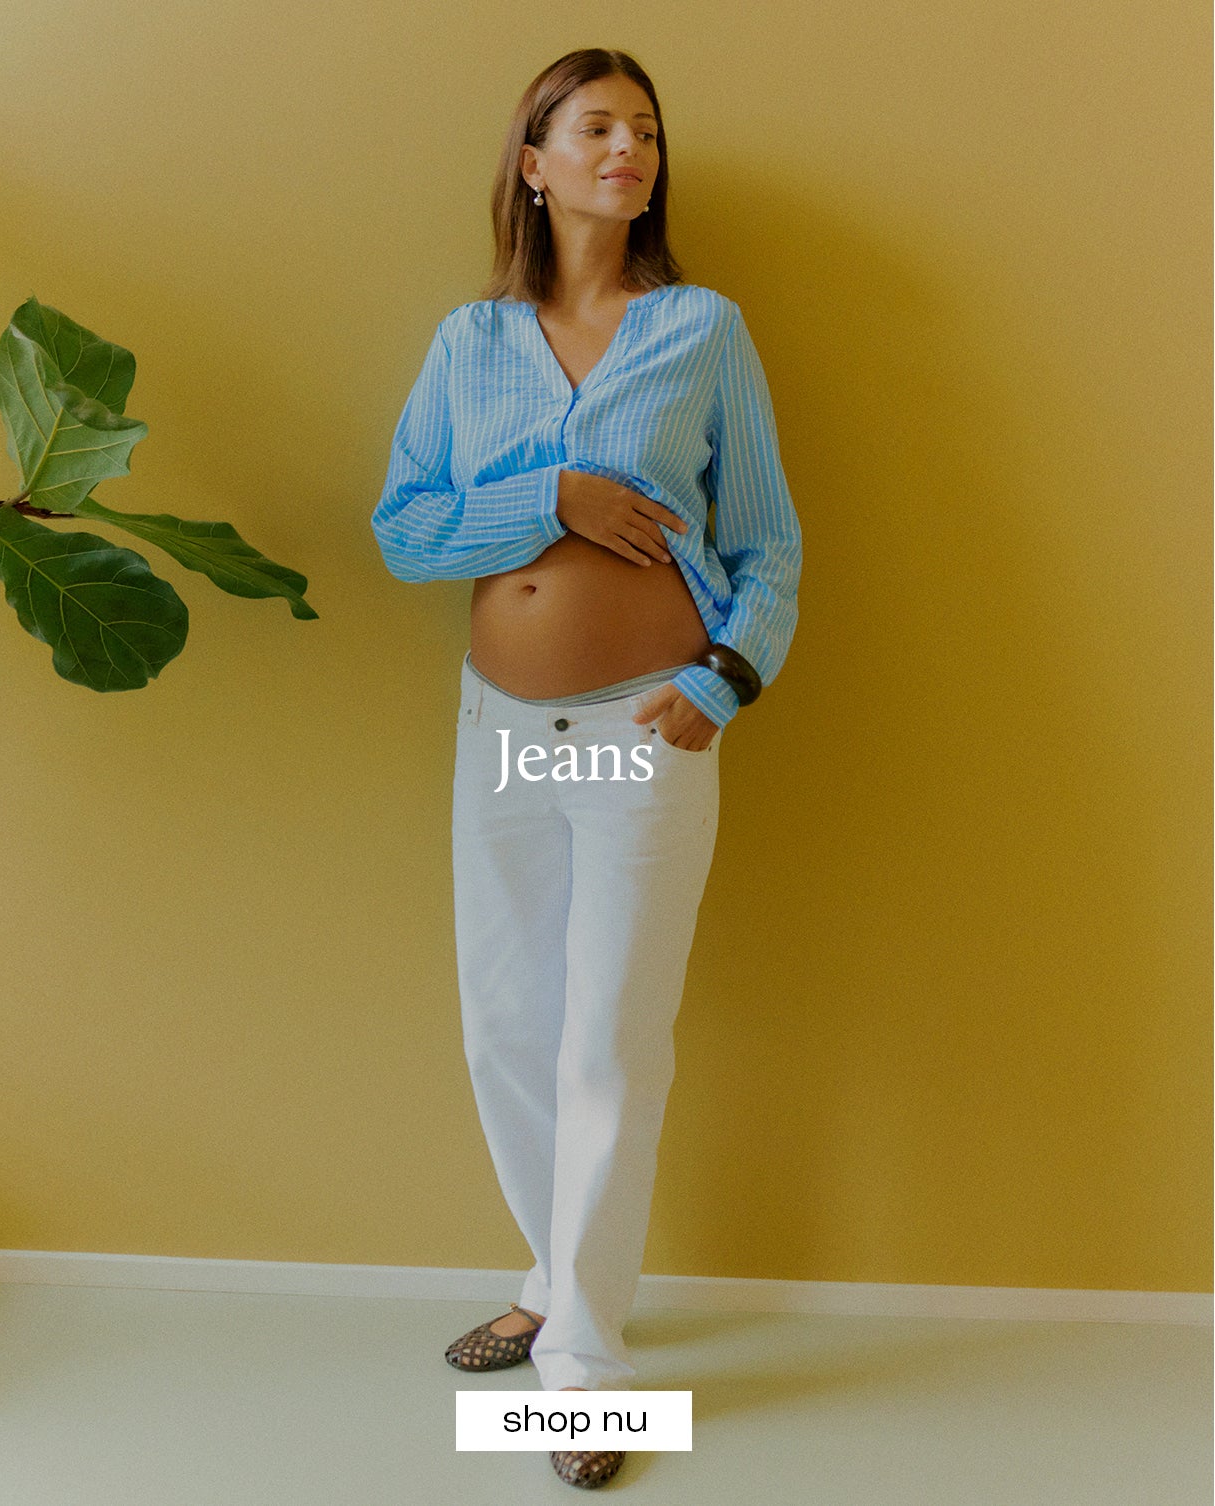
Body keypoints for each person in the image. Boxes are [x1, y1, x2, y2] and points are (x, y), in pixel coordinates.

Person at [371, 47, 802, 1491]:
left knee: (608, 1038)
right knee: (504, 1023)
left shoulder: (702, 329)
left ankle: (587, 1372)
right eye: (598, 127)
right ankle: (554, 1276)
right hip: (497, 726)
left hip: (642, 729)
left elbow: (769, 544)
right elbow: (406, 530)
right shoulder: (470, 342)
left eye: (648, 132)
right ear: (535, 162)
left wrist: (722, 678)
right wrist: (548, 496)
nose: (631, 149)